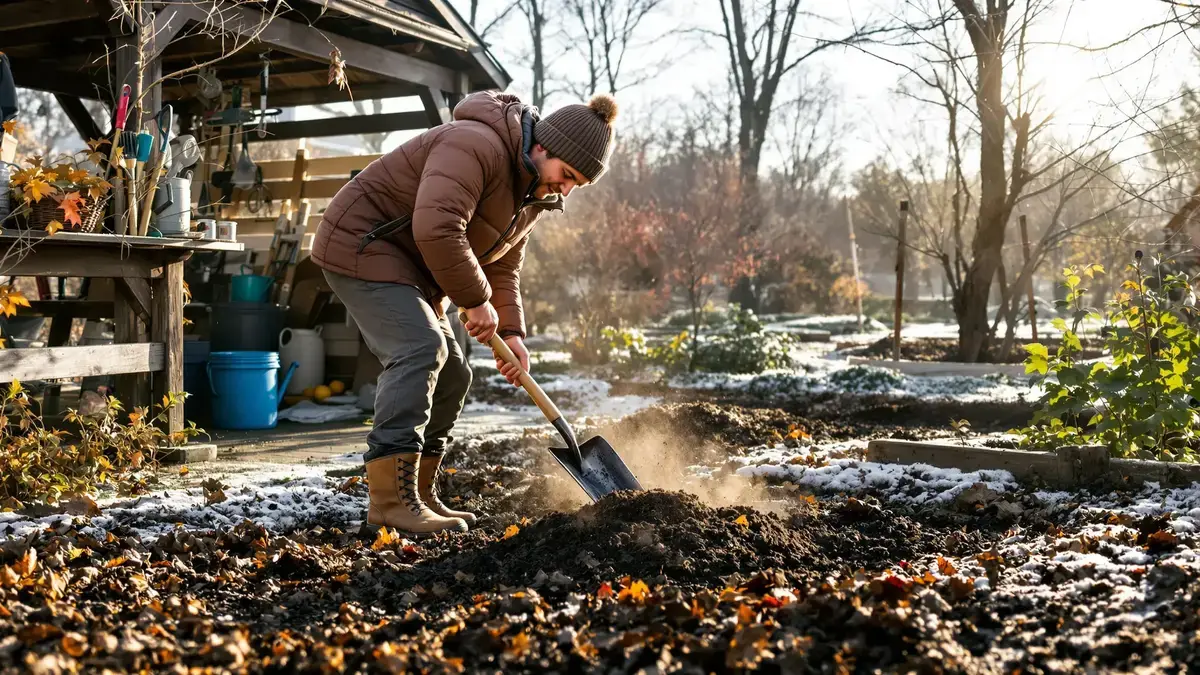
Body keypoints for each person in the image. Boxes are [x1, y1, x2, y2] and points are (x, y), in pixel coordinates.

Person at [310, 91, 618, 536]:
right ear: (543, 147)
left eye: (577, 185)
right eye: (567, 175)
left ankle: (417, 491)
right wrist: (474, 300)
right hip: (364, 242)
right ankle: (390, 503)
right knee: (420, 348)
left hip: (416, 265)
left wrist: (512, 332)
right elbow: (437, 226)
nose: (566, 190)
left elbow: (503, 262)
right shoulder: (474, 145)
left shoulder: (533, 192)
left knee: (455, 371)